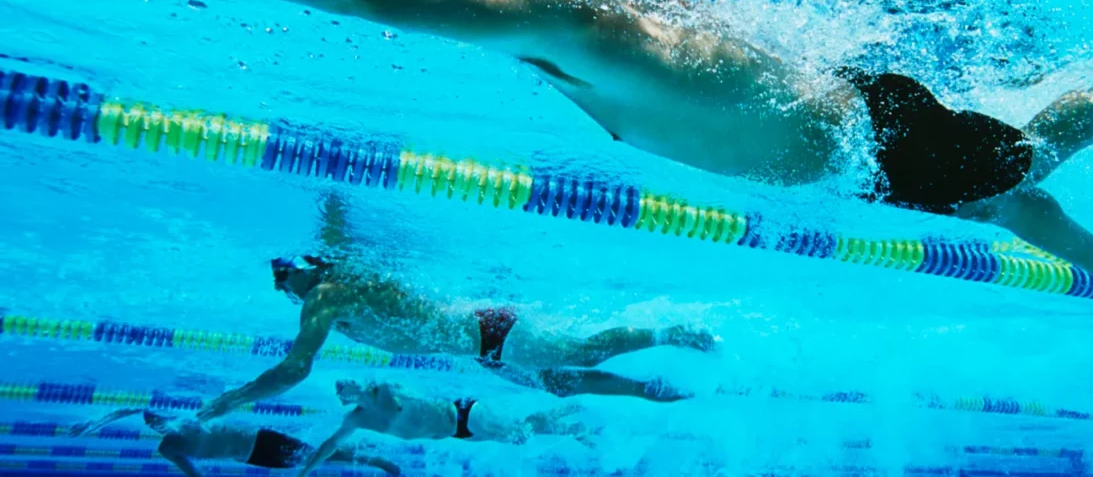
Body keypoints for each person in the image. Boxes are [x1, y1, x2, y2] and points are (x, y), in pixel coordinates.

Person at [0, 0, 1093, 320]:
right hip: (850, 158)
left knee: (1042, 147)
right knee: (1000, 204)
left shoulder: (582, 30)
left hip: (881, 146)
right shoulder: (564, 40)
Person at [196, 193, 714, 421]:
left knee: (583, 352)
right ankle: (648, 390)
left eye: (281, 279)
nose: (283, 290)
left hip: (489, 333)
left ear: (298, 271)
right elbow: (335, 226)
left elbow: (294, 367)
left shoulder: (325, 293)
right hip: (480, 345)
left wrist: (234, 398)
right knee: (559, 382)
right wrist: (333, 194)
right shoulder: (338, 269)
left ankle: (667, 333)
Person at [297, 380, 595, 477]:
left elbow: (400, 402)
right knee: (516, 434)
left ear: (357, 385)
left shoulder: (385, 391)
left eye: (343, 387)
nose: (340, 394)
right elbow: (330, 444)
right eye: (339, 392)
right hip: (459, 433)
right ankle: (575, 428)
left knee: (519, 435)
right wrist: (304, 471)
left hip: (467, 413)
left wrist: (373, 393)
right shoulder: (356, 419)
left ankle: (566, 406)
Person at [68, 408, 400, 477]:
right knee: (312, 459)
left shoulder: (180, 421)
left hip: (258, 438)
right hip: (250, 452)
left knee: (314, 455)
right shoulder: (169, 448)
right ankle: (372, 459)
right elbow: (195, 476)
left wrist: (92, 423)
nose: (155, 424)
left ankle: (377, 461)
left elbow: (130, 409)